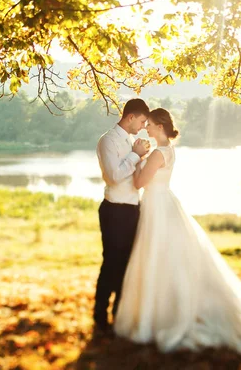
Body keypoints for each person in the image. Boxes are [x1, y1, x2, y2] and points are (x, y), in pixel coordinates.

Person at [113, 108, 241, 353]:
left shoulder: (157, 153)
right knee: (166, 255)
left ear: (159, 126)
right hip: (163, 202)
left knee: (157, 255)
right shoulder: (168, 150)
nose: (146, 128)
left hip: (157, 205)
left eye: (150, 125)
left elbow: (138, 183)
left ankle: (160, 313)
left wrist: (136, 158)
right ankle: (163, 308)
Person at [93, 98, 151, 334]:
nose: (143, 126)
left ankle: (119, 314)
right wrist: (136, 156)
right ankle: (100, 316)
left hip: (132, 209)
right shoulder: (107, 140)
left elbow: (132, 175)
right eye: (142, 121)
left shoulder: (130, 141)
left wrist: (141, 158)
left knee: (127, 264)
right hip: (115, 210)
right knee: (111, 264)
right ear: (130, 117)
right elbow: (114, 176)